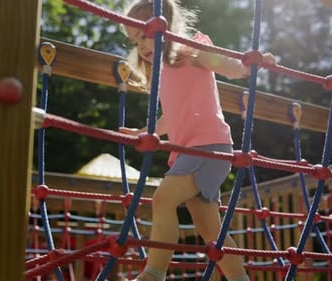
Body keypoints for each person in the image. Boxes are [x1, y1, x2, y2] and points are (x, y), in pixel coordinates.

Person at [119, 1, 274, 280]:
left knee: (163, 200)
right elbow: (171, 117)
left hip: (208, 146)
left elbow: (228, 66)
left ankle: (154, 273)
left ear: (165, 25)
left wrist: (251, 66)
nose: (141, 45)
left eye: (144, 34)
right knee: (211, 232)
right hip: (189, 151)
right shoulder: (162, 72)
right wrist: (144, 130)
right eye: (135, 40)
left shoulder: (192, 51)